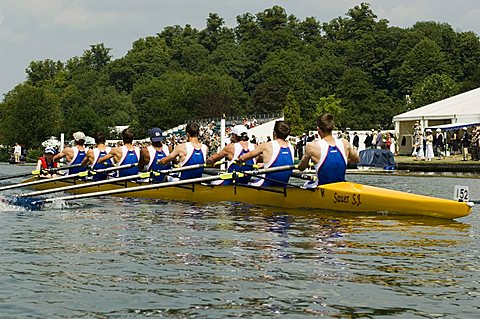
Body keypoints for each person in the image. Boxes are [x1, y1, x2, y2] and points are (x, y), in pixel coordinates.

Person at [298, 113, 360, 187]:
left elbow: (301, 168)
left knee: (305, 185)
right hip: (340, 186)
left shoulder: (312, 146)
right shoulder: (344, 143)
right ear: (333, 127)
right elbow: (357, 160)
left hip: (323, 187)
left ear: (318, 129)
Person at [237, 121, 294, 187]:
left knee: (243, 183)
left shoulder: (267, 145)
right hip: (283, 185)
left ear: (274, 133)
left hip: (266, 185)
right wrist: (265, 164)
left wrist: (238, 160)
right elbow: (281, 162)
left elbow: (243, 158)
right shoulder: (291, 147)